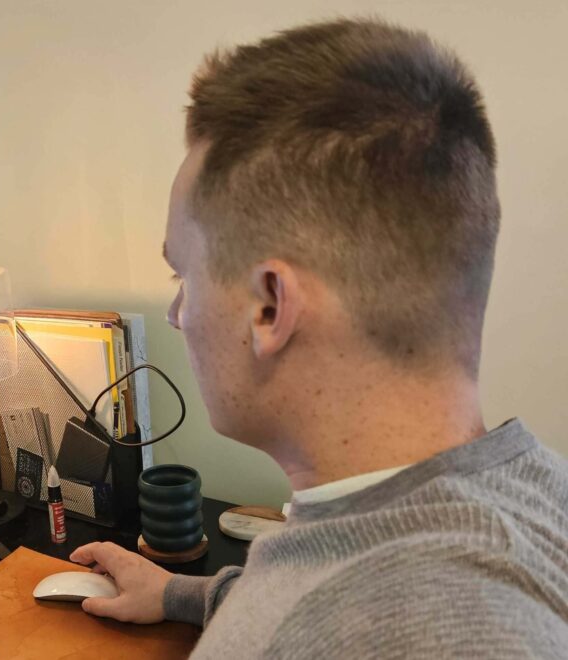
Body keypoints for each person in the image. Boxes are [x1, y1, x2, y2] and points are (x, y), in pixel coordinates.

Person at [70, 18, 568, 658]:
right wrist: (182, 593)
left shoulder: (321, 634)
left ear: (271, 306)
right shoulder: (531, 495)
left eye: (183, 275)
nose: (177, 314)